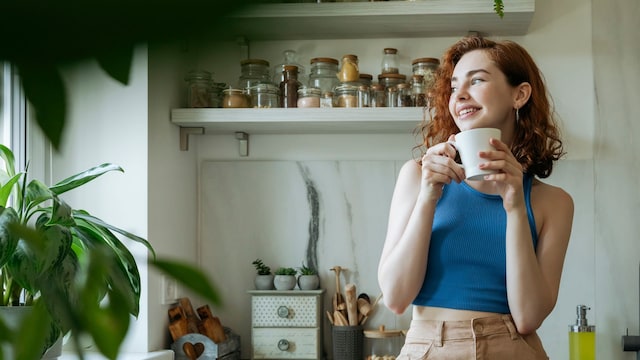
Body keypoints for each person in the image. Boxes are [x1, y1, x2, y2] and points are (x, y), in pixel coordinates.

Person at [377, 36, 574, 359]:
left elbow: (528, 317)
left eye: (477, 80)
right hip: (427, 346)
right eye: (454, 87)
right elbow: (396, 298)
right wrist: (428, 196)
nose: (460, 95)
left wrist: (514, 206)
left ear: (520, 94)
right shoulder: (417, 176)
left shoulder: (553, 202)